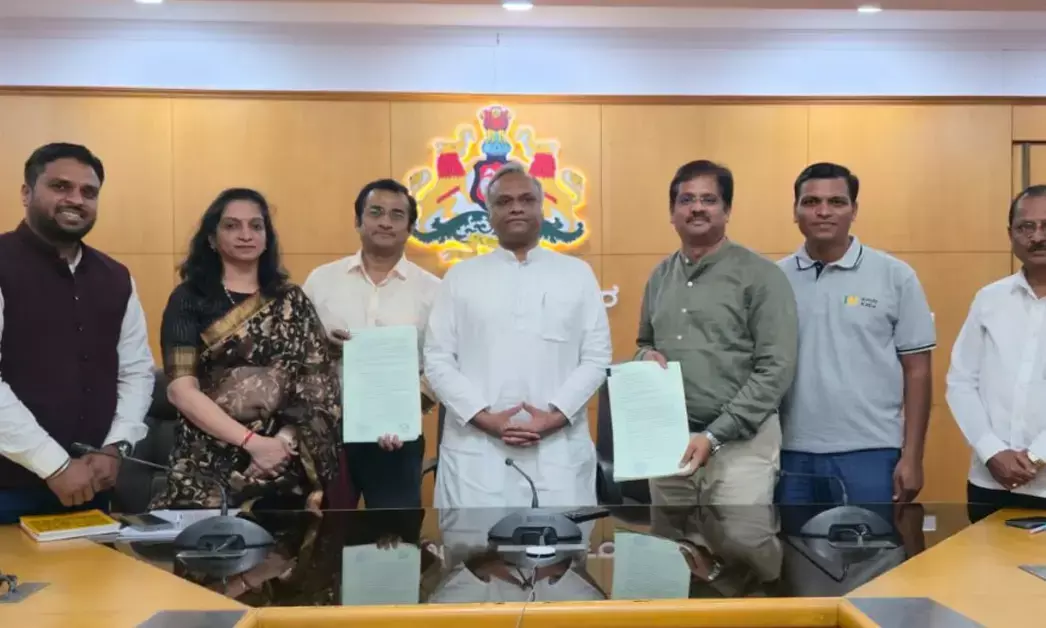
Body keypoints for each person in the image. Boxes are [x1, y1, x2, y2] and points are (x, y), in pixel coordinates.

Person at [423, 162, 611, 508]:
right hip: (476, 455)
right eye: (504, 201)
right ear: (489, 213)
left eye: (526, 200)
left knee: (562, 543)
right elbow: (437, 359)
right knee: (474, 543)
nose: (516, 208)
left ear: (542, 209)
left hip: (558, 454)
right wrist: (485, 419)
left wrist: (555, 417)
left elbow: (596, 357)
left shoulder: (577, 274)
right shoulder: (460, 277)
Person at [150, 188, 342, 513]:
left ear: (267, 238)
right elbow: (181, 390)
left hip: (283, 464)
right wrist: (253, 444)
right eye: (232, 226)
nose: (245, 235)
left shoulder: (292, 302)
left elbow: (317, 390)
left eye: (256, 226)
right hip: (206, 465)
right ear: (212, 239)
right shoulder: (188, 299)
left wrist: (280, 444)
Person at [0, 143, 154, 524]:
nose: (76, 200)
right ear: (26, 193)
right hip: (8, 490)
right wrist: (53, 465)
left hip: (93, 486)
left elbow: (135, 371)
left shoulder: (115, 277)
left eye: (89, 192)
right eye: (60, 187)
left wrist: (115, 447)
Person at [775, 163, 935, 519]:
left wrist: (913, 457)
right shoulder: (773, 279)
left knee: (872, 552)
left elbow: (918, 372)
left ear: (854, 210)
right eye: (811, 202)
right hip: (790, 454)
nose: (823, 211)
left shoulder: (895, 276)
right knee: (793, 552)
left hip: (871, 453)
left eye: (836, 202)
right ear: (795, 211)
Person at [636, 159, 797, 508]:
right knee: (672, 540)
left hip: (742, 446)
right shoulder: (660, 276)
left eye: (708, 200)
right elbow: (644, 343)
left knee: (741, 538)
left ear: (727, 210)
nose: (697, 208)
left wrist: (714, 434)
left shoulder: (761, 276)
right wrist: (645, 356)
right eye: (686, 200)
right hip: (670, 444)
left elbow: (776, 367)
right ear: (672, 213)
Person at [303, 179, 440, 509]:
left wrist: (404, 411)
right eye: (375, 212)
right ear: (358, 220)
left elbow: (439, 364)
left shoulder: (433, 291)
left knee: (393, 533)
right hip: (326, 433)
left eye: (397, 215)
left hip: (397, 439)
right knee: (326, 531)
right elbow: (295, 351)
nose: (385, 222)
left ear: (410, 228)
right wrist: (324, 347)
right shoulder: (321, 281)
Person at [948, 184, 1046, 523]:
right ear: (1011, 234)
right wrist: (992, 451)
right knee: (984, 560)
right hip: (990, 481)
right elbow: (961, 382)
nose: (1037, 236)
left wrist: (1036, 456)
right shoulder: (989, 299)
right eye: (1026, 227)